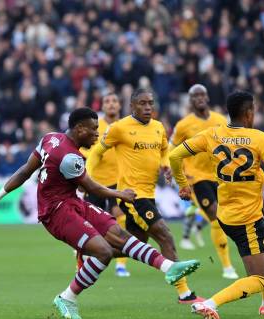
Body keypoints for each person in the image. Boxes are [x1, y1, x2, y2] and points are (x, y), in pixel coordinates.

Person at [0, 108, 200, 319]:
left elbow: (25, 171)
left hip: (72, 202)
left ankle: (169, 268)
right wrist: (121, 194)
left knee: (118, 235)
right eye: (93, 129)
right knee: (103, 251)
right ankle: (67, 298)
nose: (97, 133)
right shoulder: (70, 158)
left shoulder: (49, 139)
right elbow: (91, 188)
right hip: (56, 212)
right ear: (80, 129)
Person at [170, 90, 264, 319]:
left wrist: (183, 185)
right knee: (259, 278)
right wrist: (259, 177)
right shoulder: (259, 138)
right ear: (248, 113)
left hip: (226, 215)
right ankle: (211, 303)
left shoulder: (212, 134)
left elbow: (175, 156)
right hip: (247, 219)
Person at [86, 89, 204, 304]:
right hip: (132, 196)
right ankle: (185, 293)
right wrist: (87, 178)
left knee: (134, 245)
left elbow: (164, 152)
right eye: (142, 103)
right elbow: (96, 152)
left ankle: (93, 254)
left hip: (149, 194)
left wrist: (166, 166)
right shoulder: (119, 128)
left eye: (150, 103)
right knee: (165, 235)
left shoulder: (158, 127)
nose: (148, 107)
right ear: (132, 106)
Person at [170, 84, 239, 280]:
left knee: (226, 217)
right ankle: (227, 267)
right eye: (195, 96)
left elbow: (232, 144)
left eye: (202, 94)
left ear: (207, 97)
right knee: (216, 217)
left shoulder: (220, 120)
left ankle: (194, 224)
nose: (199, 98)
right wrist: (169, 167)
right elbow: (171, 147)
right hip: (196, 177)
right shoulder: (183, 125)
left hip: (220, 176)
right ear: (190, 101)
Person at [78, 92, 130, 277]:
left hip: (119, 181)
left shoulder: (126, 125)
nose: (111, 104)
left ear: (120, 104)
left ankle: (121, 265)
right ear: (103, 105)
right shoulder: (95, 125)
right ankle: (86, 254)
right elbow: (83, 149)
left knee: (120, 216)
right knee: (92, 223)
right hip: (95, 183)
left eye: (115, 100)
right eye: (107, 101)